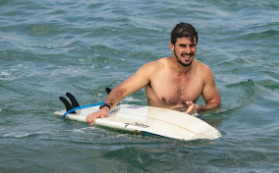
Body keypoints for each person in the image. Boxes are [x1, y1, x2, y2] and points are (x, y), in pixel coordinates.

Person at [85, 23, 220, 124]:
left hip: (186, 125)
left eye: (192, 45)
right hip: (156, 126)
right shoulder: (153, 70)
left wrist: (199, 108)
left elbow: (215, 103)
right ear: (172, 46)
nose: (188, 51)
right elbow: (121, 90)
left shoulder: (203, 72)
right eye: (183, 46)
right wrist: (105, 108)